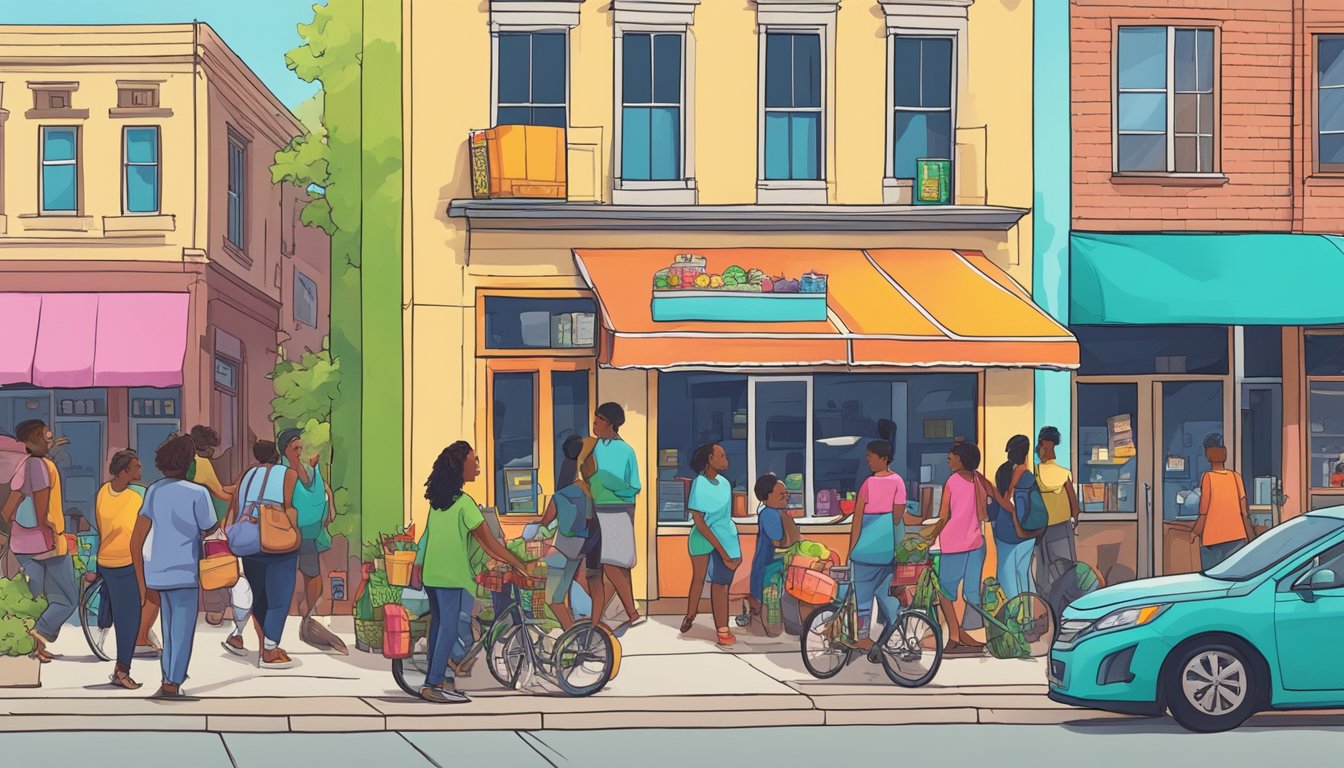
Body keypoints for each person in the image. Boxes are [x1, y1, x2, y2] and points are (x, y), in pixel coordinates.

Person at [412, 441, 528, 704]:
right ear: (459, 465)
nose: (476, 465)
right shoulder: (464, 504)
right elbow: (490, 543)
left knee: (439, 628)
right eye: (472, 460)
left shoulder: (439, 502)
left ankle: (439, 680)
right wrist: (518, 563)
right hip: (452, 577)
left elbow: (427, 537)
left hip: (432, 574)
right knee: (448, 629)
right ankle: (432, 685)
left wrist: (418, 565)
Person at [130, 435, 218, 700]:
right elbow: (210, 528)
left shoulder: (154, 490)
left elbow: (139, 535)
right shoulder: (198, 493)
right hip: (185, 570)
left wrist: (141, 580)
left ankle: (169, 677)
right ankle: (171, 682)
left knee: (168, 626)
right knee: (180, 629)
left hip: (156, 568)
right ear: (188, 463)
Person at [0, 420, 78, 663]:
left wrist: (5, 535)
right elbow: (43, 513)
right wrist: (57, 535)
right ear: (32, 439)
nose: (48, 438)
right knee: (67, 598)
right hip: (47, 545)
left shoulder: (22, 466)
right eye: (43, 435)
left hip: (22, 546)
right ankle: (38, 634)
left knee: (35, 597)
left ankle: (33, 645)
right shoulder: (43, 467)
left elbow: (9, 509)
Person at [224, 440, 301, 669]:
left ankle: (248, 638)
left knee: (256, 594)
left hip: (247, 540)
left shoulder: (247, 473)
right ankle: (269, 651)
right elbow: (288, 506)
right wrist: (295, 534)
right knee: (279, 596)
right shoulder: (287, 474)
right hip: (276, 540)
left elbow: (235, 503)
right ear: (277, 455)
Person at [846, 437, 923, 652]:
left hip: (864, 551)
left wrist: (850, 550)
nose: (868, 460)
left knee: (862, 599)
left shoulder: (868, 484)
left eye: (871, 456)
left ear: (884, 458)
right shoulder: (898, 481)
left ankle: (863, 638)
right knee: (885, 594)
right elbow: (899, 517)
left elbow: (857, 520)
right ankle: (899, 633)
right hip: (887, 551)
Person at [921, 439, 989, 653]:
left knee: (945, 592)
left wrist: (931, 537)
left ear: (961, 459)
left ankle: (955, 634)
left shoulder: (952, 481)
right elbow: (985, 510)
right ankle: (965, 634)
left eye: (952, 457)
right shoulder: (979, 480)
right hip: (976, 542)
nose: (949, 460)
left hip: (954, 543)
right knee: (971, 593)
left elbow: (943, 516)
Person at [279, 429, 343, 652]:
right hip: (290, 532)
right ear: (285, 449)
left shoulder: (304, 470)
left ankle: (306, 616)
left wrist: (331, 504)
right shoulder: (286, 473)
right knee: (292, 576)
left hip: (307, 533)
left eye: (299, 447)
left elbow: (319, 487)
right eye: (294, 447)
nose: (298, 450)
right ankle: (299, 618)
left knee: (312, 576)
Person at [528, 436, 598, 630]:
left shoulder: (561, 495)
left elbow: (546, 521)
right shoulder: (590, 492)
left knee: (554, 599)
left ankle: (570, 637)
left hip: (563, 549)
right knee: (565, 594)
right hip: (582, 548)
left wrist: (537, 524)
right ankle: (575, 635)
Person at [94, 450, 147, 689]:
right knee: (130, 619)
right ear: (125, 470)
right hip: (126, 563)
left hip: (105, 560)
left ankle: (119, 666)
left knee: (119, 611)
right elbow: (138, 537)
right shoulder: (138, 496)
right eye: (135, 467)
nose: (140, 471)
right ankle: (121, 671)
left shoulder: (103, 491)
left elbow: (103, 527)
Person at [588, 402, 644, 630]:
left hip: (618, 511)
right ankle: (602, 615)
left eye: (598, 420)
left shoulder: (626, 451)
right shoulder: (593, 448)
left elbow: (634, 486)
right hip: (595, 511)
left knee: (613, 564)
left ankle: (632, 613)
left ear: (610, 423)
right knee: (613, 566)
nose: (594, 424)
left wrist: (610, 484)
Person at [679, 443, 740, 646]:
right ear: (709, 460)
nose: (726, 459)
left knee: (722, 583)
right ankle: (690, 614)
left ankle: (722, 629)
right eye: (721, 456)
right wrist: (722, 551)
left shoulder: (725, 484)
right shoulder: (699, 484)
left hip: (723, 536)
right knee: (699, 579)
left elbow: (724, 518)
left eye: (726, 456)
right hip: (702, 537)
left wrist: (727, 548)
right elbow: (700, 523)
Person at [188, 426, 240, 629]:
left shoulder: (187, 462)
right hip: (204, 522)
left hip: (185, 522)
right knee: (212, 562)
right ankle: (214, 608)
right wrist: (236, 495)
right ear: (206, 447)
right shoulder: (203, 463)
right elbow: (217, 492)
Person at [746, 474, 800, 636]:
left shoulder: (778, 512)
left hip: (774, 566)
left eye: (786, 495)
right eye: (781, 495)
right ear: (765, 497)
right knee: (770, 602)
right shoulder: (769, 513)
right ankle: (769, 629)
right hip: (769, 567)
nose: (785, 498)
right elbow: (778, 541)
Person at [988, 435, 1039, 600]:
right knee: (1024, 574)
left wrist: (994, 525)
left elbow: (998, 503)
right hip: (1027, 532)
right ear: (1026, 453)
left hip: (1005, 531)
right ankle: (1028, 616)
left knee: (1006, 575)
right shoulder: (1029, 476)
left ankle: (1013, 617)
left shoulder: (1002, 471)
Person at [1034, 426, 1081, 597]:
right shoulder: (1063, 473)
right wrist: (1075, 521)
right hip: (1062, 526)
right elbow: (1074, 504)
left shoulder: (1035, 473)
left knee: (1043, 572)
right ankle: (1066, 607)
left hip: (1041, 529)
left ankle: (1047, 612)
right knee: (1066, 569)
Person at [1191, 443, 1254, 570]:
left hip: (1212, 539)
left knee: (1213, 578)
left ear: (1208, 457)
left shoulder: (1207, 477)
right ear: (1225, 456)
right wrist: (1250, 534)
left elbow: (1204, 511)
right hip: (1237, 537)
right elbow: (1244, 511)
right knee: (1235, 575)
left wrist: (1195, 531)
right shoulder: (1236, 477)